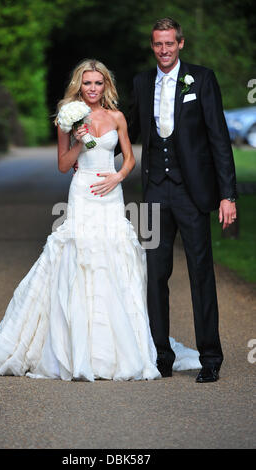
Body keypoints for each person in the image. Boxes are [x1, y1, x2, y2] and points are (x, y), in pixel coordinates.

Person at [0, 59, 201, 381]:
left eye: (98, 83)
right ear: (79, 85)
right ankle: (76, 345)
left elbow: (129, 158)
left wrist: (118, 178)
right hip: (83, 191)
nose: (92, 89)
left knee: (114, 256)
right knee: (80, 258)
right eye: (87, 83)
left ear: (106, 86)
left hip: (110, 193)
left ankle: (120, 344)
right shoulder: (68, 118)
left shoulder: (116, 117)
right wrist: (76, 139)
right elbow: (63, 165)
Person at [121, 18, 237, 383]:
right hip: (155, 193)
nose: (164, 50)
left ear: (181, 44)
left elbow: (219, 138)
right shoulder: (142, 82)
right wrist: (89, 141)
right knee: (155, 275)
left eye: (170, 43)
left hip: (192, 193)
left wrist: (227, 194)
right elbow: (127, 130)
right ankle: (161, 356)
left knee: (201, 273)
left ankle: (211, 357)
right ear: (152, 46)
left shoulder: (201, 79)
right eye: (158, 44)